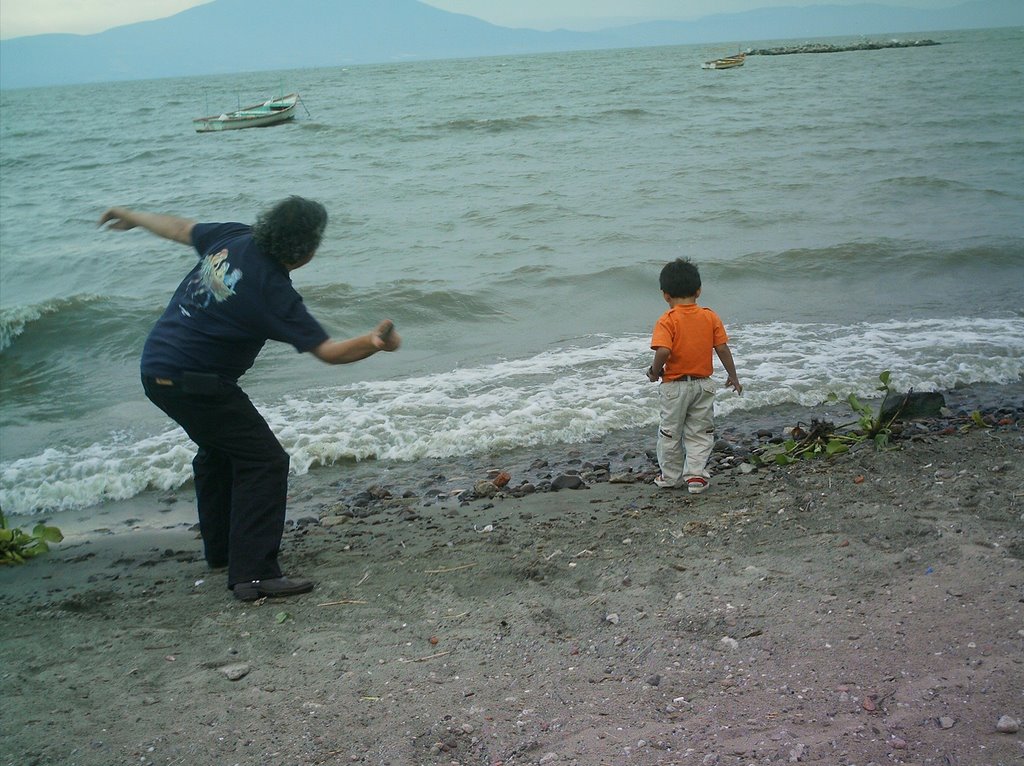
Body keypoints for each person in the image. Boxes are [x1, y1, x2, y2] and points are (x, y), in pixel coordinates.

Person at [99, 197, 400, 601]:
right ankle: (254, 575)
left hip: (157, 369)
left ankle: (222, 551)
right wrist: (374, 342)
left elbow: (177, 227)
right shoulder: (272, 290)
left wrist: (131, 215)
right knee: (264, 460)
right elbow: (329, 353)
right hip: (197, 381)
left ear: (265, 225)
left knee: (220, 449)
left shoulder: (233, 237)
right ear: (307, 253)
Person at [646, 257, 741, 494]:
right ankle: (696, 477)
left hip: (675, 386)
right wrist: (733, 376)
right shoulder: (710, 316)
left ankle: (670, 477)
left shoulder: (667, 320)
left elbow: (664, 350)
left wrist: (654, 371)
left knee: (670, 432)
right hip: (704, 385)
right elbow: (722, 349)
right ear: (698, 291)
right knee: (699, 431)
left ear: (665, 295)